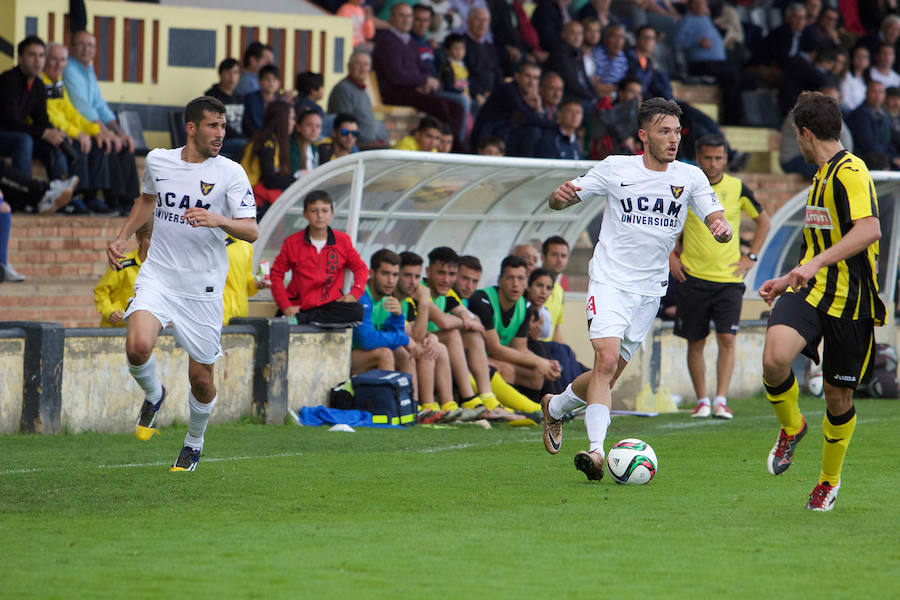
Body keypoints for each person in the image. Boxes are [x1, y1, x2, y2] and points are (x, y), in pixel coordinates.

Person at [542, 97, 732, 481]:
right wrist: (558, 199)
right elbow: (563, 199)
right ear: (643, 136)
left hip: (649, 291)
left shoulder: (690, 177)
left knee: (606, 376)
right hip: (610, 280)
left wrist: (719, 227)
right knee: (606, 361)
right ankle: (597, 452)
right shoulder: (616, 169)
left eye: (678, 132)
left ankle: (556, 407)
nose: (674, 139)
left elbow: (714, 213)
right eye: (665, 131)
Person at [105, 96, 259, 472]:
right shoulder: (159, 160)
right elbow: (146, 199)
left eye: (223, 127)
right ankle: (154, 395)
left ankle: (194, 440)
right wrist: (124, 235)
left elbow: (251, 229)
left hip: (202, 288)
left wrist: (218, 220)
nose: (220, 134)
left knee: (201, 379)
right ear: (191, 128)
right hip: (159, 274)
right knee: (138, 345)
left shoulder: (231, 173)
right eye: (212, 126)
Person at [758, 91, 884, 511]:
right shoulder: (820, 175)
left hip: (853, 303)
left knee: (837, 397)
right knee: (775, 357)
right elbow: (822, 241)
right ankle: (792, 427)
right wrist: (788, 277)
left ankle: (828, 482)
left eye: (796, 135)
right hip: (811, 292)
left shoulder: (851, 172)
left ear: (805, 133)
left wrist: (815, 265)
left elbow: (868, 230)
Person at [669, 134, 770, 420]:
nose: (713, 163)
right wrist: (671, 256)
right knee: (695, 341)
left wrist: (750, 257)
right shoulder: (687, 187)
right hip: (693, 277)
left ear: (725, 158)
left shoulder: (737, 188)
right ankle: (702, 400)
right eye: (708, 158)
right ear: (698, 158)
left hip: (729, 280)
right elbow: (669, 222)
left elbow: (764, 220)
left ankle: (721, 400)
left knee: (727, 338)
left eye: (718, 158)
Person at [64, 30, 140, 214]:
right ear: (72, 47)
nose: (86, 49)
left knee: (125, 145)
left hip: (93, 125)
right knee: (109, 145)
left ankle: (130, 202)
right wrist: (107, 133)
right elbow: (82, 106)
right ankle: (114, 200)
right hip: (79, 126)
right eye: (81, 44)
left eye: (90, 45)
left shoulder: (89, 70)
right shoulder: (69, 68)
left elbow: (100, 105)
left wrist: (119, 132)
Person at [372, 3, 464, 151]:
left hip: (414, 90)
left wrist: (427, 81)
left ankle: (448, 146)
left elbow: (424, 70)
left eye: (409, 16)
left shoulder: (411, 42)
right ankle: (458, 150)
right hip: (395, 93)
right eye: (402, 15)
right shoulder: (386, 41)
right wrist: (423, 81)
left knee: (457, 107)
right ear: (392, 18)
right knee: (439, 106)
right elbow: (397, 76)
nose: (406, 20)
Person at [468, 255, 562, 396]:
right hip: (473, 358)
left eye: (520, 278)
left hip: (494, 358)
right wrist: (538, 361)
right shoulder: (482, 300)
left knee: (537, 374)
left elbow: (521, 349)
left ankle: (544, 407)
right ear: (500, 281)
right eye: (510, 278)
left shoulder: (524, 306)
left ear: (526, 283)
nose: (515, 284)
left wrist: (546, 365)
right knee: (507, 369)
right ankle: (518, 409)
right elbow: (495, 349)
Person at [270, 190, 367, 325]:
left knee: (357, 311)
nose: (320, 216)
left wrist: (354, 293)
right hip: (298, 307)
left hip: (329, 306)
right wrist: (286, 307)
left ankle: (301, 320)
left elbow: (361, 268)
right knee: (280, 322)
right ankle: (298, 319)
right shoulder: (292, 242)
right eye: (314, 211)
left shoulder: (343, 241)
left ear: (332, 214)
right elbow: (276, 274)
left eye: (325, 211)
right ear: (305, 214)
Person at [42, 42, 113, 215]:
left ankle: (91, 196)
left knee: (98, 144)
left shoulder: (58, 83)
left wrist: (95, 131)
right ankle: (75, 197)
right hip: (49, 133)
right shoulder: (41, 83)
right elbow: (52, 117)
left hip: (66, 130)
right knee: (77, 146)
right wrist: (77, 133)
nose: (58, 65)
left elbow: (71, 113)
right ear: (45, 61)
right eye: (54, 60)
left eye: (62, 60)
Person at [0, 36, 67, 181]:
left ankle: (58, 191)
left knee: (56, 143)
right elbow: (10, 122)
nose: (38, 61)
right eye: (32, 55)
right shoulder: (8, 79)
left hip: (17, 134)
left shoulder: (38, 85)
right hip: (4, 133)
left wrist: (55, 133)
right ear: (20, 58)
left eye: (41, 55)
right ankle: (26, 193)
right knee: (24, 140)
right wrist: (44, 132)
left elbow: (42, 119)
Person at [240, 102, 296, 218]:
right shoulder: (267, 143)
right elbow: (269, 181)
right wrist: (296, 178)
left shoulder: (272, 140)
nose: (293, 123)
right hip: (247, 198)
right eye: (291, 118)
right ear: (281, 119)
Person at [95, 218, 152, 327]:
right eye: (150, 238)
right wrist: (110, 311)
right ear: (139, 239)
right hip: (115, 330)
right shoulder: (123, 265)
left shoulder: (164, 269)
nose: (155, 243)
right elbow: (101, 292)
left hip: (145, 332)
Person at [327, 51, 383, 147]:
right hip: (352, 147)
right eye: (359, 64)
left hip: (366, 145)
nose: (363, 68)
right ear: (349, 66)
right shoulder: (343, 89)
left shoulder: (362, 90)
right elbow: (344, 124)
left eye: (366, 64)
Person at [204, 58, 247, 160]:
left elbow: (246, 122)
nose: (232, 77)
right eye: (228, 72)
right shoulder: (212, 97)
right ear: (220, 74)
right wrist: (244, 139)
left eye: (235, 73)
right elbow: (218, 124)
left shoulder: (240, 97)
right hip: (220, 140)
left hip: (239, 139)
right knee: (248, 146)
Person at [223, 234, 269, 325]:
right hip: (219, 314)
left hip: (241, 314)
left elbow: (246, 282)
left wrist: (256, 283)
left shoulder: (246, 242)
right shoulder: (216, 237)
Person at [243, 65, 287, 137]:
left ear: (279, 83)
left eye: (274, 79)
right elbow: (249, 124)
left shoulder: (281, 101)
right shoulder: (250, 99)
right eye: (267, 79)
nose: (271, 83)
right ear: (259, 81)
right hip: (255, 136)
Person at [540, 235, 569, 342]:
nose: (559, 260)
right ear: (543, 257)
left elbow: (556, 328)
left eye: (563, 256)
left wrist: (568, 351)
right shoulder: (530, 285)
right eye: (554, 255)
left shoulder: (560, 291)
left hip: (549, 349)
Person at [290, 109, 322, 174]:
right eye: (309, 125)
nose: (314, 130)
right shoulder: (290, 146)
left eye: (318, 126)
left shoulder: (314, 149)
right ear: (298, 127)